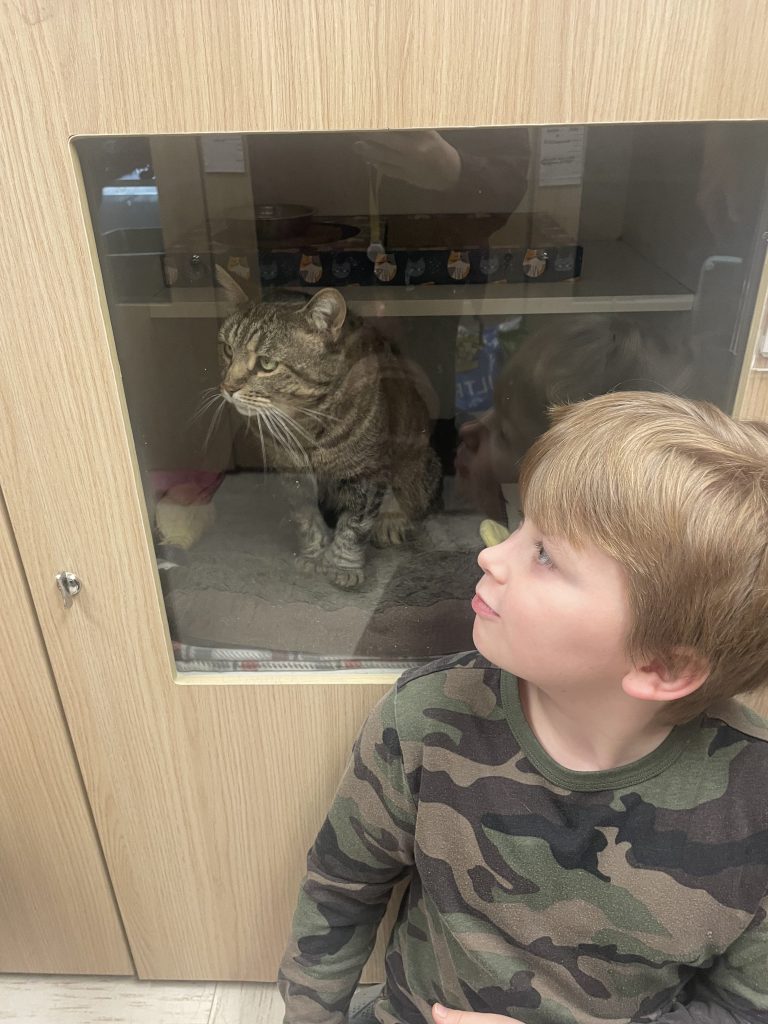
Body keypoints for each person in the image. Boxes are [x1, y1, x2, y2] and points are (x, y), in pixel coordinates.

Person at [278, 390, 768, 1024]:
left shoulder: (753, 801)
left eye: (545, 556)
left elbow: (744, 1009)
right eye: (519, 525)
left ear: (662, 666)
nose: (490, 555)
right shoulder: (425, 716)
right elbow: (339, 891)